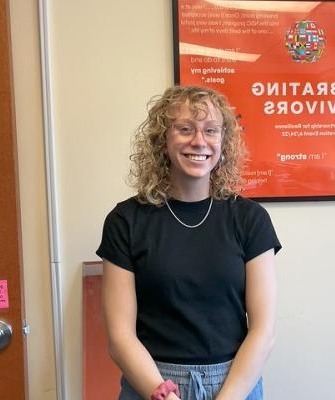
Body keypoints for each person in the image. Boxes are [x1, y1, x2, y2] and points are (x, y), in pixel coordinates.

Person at [96, 85, 281, 400]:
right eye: (185, 129)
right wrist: (163, 394)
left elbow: (262, 331)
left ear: (223, 142)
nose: (199, 141)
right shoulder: (125, 221)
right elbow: (120, 336)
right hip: (153, 385)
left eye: (211, 130)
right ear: (162, 140)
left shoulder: (250, 219)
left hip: (234, 384)